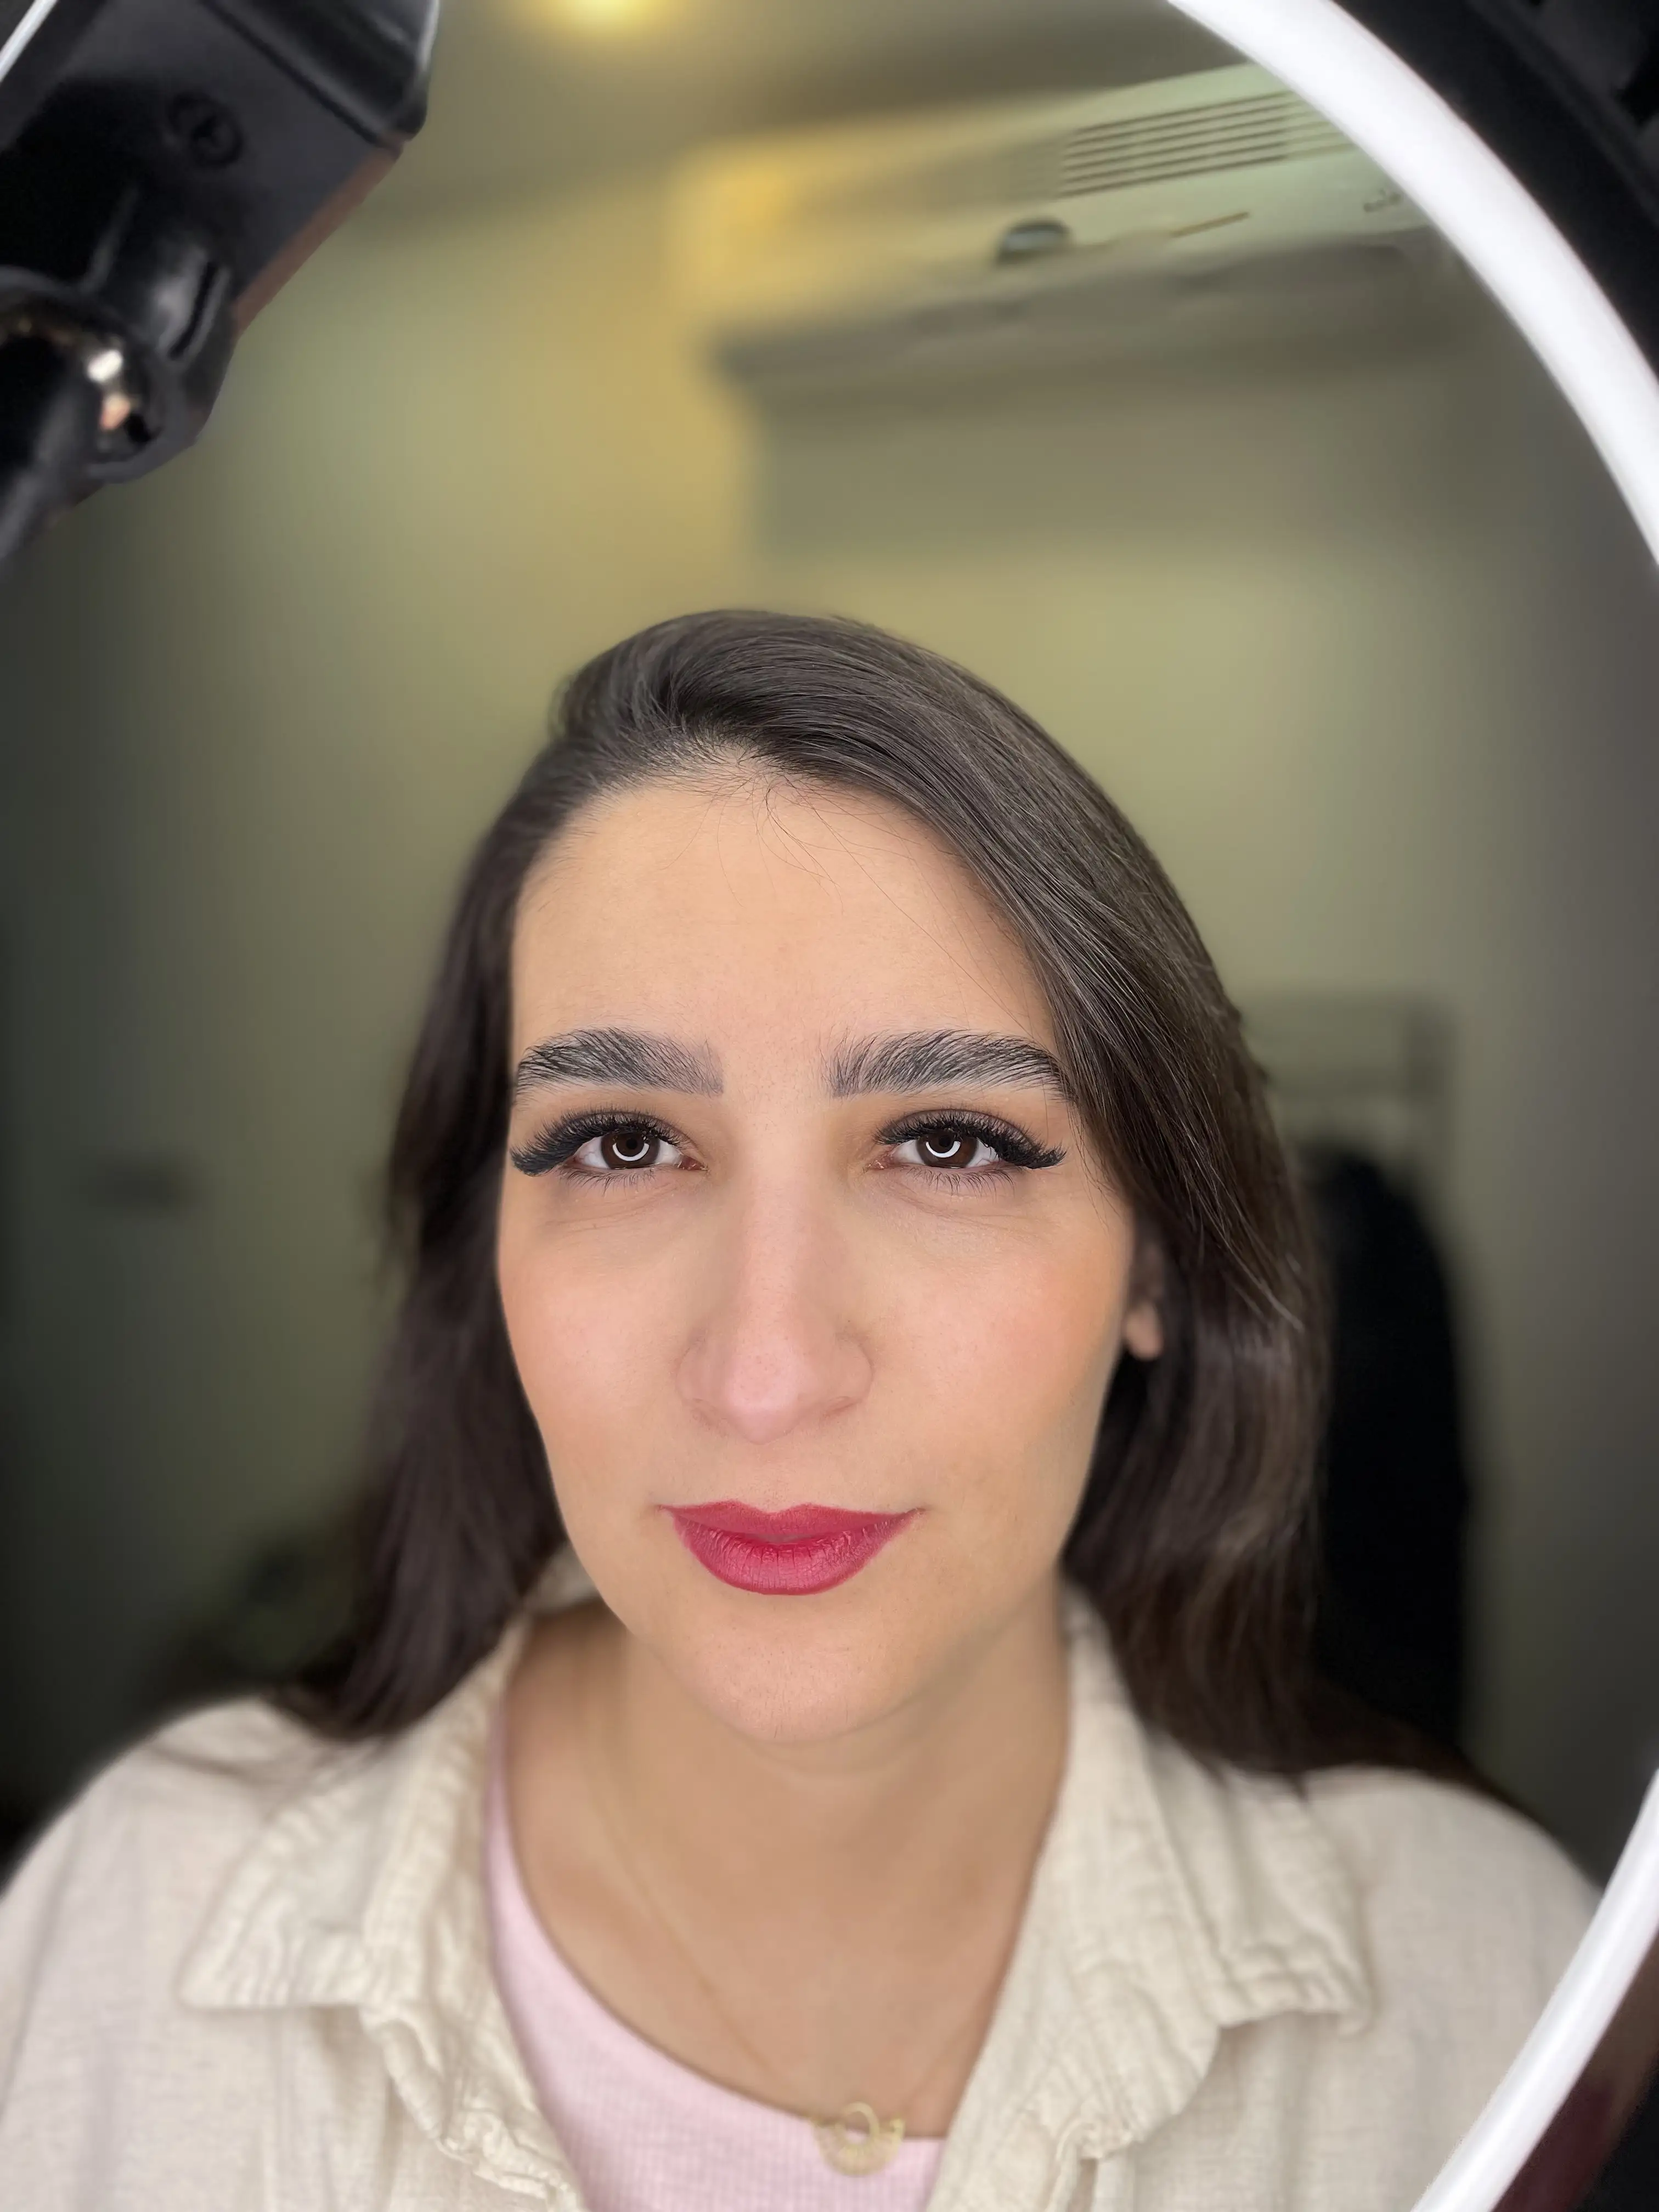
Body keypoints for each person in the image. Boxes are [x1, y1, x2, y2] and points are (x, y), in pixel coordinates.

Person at [0, 612, 1594, 2211]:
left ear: (1157, 1260)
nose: (765, 1373)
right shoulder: (128, 1938)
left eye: (950, 1144)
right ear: (489, 1246)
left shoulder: (1488, 1997)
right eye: (623, 1144)